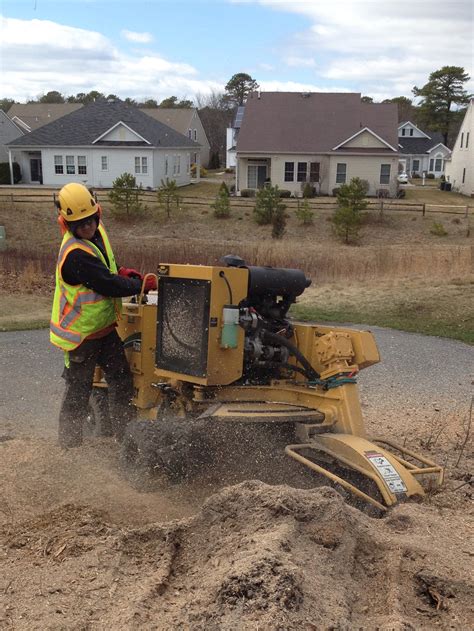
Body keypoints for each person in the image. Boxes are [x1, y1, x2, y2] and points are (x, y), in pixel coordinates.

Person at [50, 182, 157, 448]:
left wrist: (122, 271)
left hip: (105, 329)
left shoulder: (96, 234)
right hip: (81, 335)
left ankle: (126, 438)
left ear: (97, 212)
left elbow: (106, 265)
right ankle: (69, 446)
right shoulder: (74, 254)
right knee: (79, 390)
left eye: (91, 221)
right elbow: (106, 284)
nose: (87, 228)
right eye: (81, 225)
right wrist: (139, 285)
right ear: (67, 224)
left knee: (121, 380)